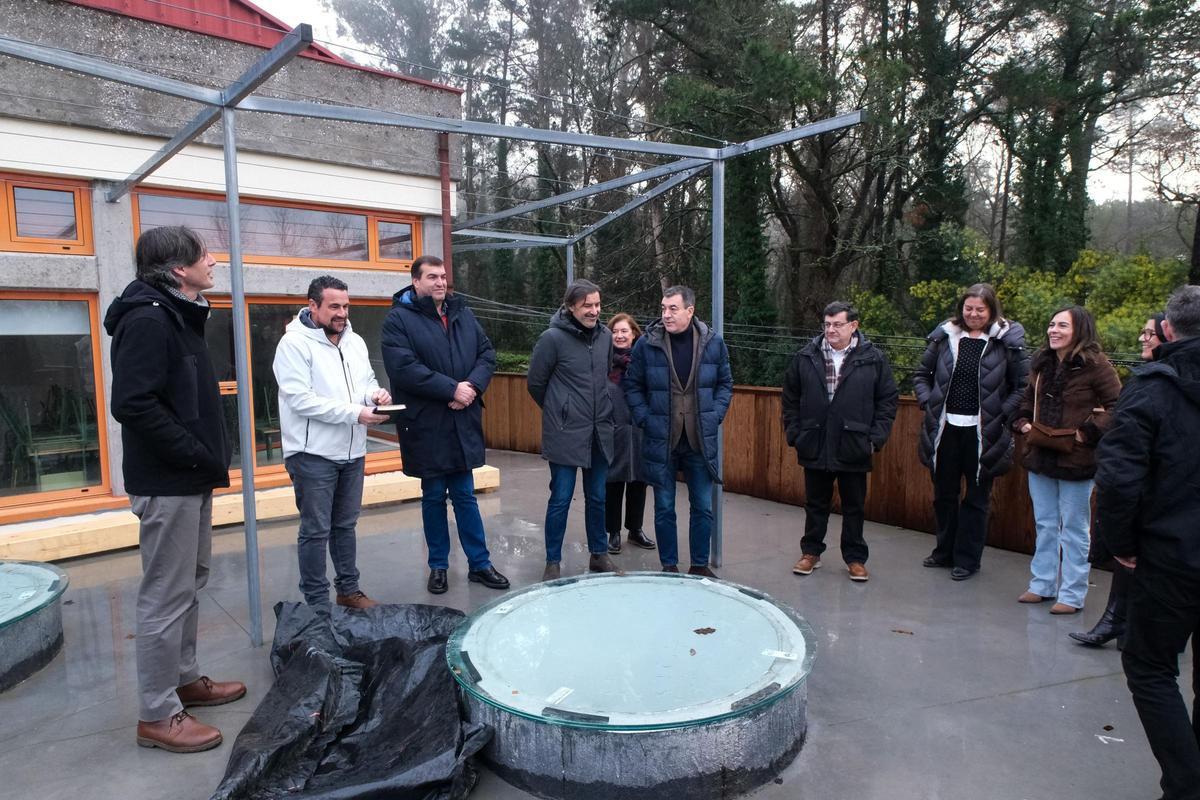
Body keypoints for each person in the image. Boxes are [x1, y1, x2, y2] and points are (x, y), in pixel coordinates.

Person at [105, 225, 243, 753]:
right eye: (205, 255)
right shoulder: (148, 319)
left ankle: (183, 680)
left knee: (190, 581)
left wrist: (202, 459)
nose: (214, 262)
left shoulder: (179, 314)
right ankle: (158, 714)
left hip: (190, 476)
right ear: (179, 269)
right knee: (165, 594)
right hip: (170, 481)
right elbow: (133, 403)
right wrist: (192, 451)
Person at [1095, 286, 1200, 800]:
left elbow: (1119, 480)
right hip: (1175, 545)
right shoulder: (1154, 388)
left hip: (1169, 556)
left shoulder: (1151, 389)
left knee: (1150, 667)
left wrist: (1121, 544)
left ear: (1168, 329)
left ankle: (1185, 786)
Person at [381, 255, 508, 595]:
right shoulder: (398, 320)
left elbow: (486, 354)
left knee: (465, 495)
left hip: (461, 418)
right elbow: (403, 368)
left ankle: (480, 564)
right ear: (416, 282)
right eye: (432, 277)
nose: (440, 282)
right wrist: (451, 389)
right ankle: (438, 566)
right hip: (427, 424)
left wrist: (471, 388)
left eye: (442, 276)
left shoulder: (462, 313)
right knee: (434, 496)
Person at [274, 276, 390, 611]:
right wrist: (357, 413)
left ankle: (348, 591)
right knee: (316, 530)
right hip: (312, 455)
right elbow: (301, 400)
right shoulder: (293, 345)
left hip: (352, 451)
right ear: (313, 306)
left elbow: (366, 381)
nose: (342, 313)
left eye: (346, 306)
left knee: (345, 526)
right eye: (334, 306)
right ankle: (316, 603)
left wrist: (375, 395)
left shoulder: (355, 341)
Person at [913, 284, 1029, 580]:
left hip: (984, 434)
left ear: (992, 310)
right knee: (944, 495)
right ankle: (944, 552)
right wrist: (928, 402)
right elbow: (922, 375)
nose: (973, 314)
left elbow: (1022, 386)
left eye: (980, 309)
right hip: (945, 430)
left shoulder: (1006, 342)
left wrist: (1001, 413)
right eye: (968, 308)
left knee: (977, 500)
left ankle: (967, 560)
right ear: (961, 309)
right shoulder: (945, 337)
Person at [1013, 305, 1121, 614]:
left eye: (1062, 325)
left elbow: (1118, 406)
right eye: (1052, 324)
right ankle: (1042, 584)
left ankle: (1072, 594)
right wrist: (1023, 423)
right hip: (1040, 455)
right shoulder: (1042, 363)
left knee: (1074, 529)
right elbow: (1026, 399)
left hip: (1077, 461)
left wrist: (1086, 434)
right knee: (1045, 524)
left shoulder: (1097, 365)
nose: (1053, 330)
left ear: (1080, 330)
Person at [782, 301, 898, 583]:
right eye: (827, 324)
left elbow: (887, 400)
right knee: (815, 504)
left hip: (854, 444)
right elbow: (790, 398)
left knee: (854, 506)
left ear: (853, 326)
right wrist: (795, 434)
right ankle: (811, 553)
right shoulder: (806, 356)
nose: (831, 330)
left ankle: (855, 558)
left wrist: (875, 439)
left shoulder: (873, 358)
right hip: (815, 441)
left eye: (837, 324)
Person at [624, 286, 733, 577]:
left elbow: (725, 384)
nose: (666, 314)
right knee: (664, 507)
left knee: (702, 507)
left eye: (673, 308)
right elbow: (632, 385)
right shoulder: (647, 344)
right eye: (663, 308)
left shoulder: (713, 343)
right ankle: (669, 566)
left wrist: (714, 415)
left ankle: (699, 565)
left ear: (690, 310)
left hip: (699, 441)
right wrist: (645, 418)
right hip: (661, 440)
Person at [1070, 313, 1165, 647]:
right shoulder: (1147, 381)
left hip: (1161, 492)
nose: (1142, 338)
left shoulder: (1160, 386)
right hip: (1140, 488)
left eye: (1150, 333)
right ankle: (1116, 620)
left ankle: (1131, 626)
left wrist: (1089, 432)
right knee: (1129, 557)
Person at [527, 280, 619, 581]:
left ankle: (599, 554)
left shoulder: (606, 337)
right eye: (587, 305)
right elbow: (536, 383)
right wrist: (561, 411)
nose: (594, 311)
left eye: (597, 304)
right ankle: (553, 562)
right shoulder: (552, 339)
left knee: (598, 497)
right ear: (570, 307)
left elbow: (605, 375)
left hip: (599, 431)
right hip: (564, 434)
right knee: (561, 498)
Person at [605, 312, 655, 554]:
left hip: (640, 431)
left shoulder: (645, 361)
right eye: (614, 332)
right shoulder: (603, 363)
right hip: (613, 431)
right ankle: (613, 532)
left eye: (624, 331)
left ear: (634, 333)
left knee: (639, 482)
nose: (619, 335)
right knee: (612, 483)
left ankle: (635, 529)